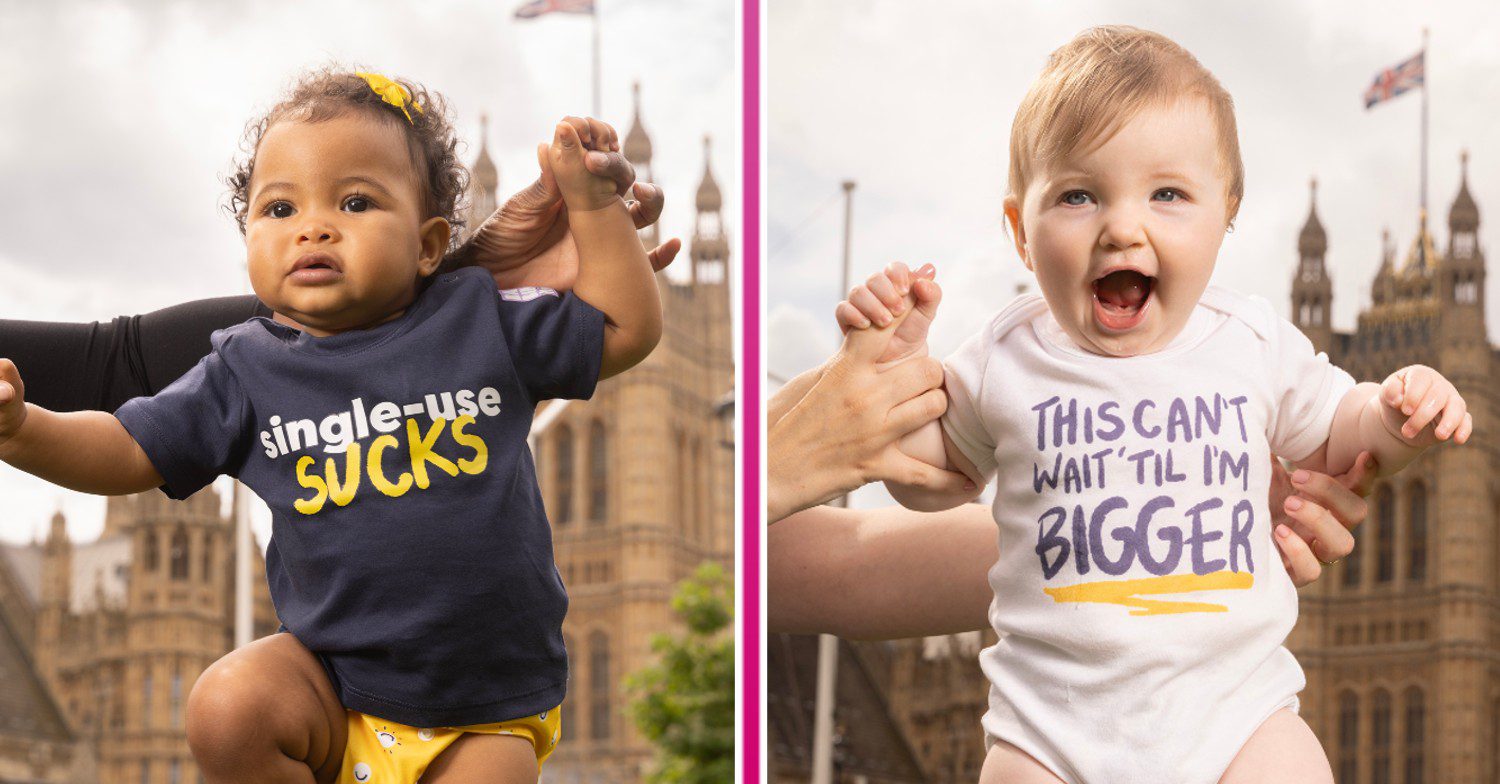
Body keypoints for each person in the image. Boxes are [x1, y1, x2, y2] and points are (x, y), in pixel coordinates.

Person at [831, 27, 1472, 784]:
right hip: (1051, 726)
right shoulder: (1002, 355)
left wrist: (1399, 414)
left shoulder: (1252, 341)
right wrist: (899, 377)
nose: (1122, 226)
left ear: (1226, 213)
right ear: (1020, 233)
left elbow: (1344, 433)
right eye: (1078, 194)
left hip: (1236, 714)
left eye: (1167, 194)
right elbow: (921, 476)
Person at [0, 69, 662, 784]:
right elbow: (130, 448)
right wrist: (25, 431)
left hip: (482, 707)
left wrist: (595, 207)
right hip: (329, 684)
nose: (312, 225)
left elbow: (626, 328)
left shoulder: (478, 320)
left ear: (429, 245)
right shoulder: (243, 367)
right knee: (225, 707)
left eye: (353, 201)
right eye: (279, 209)